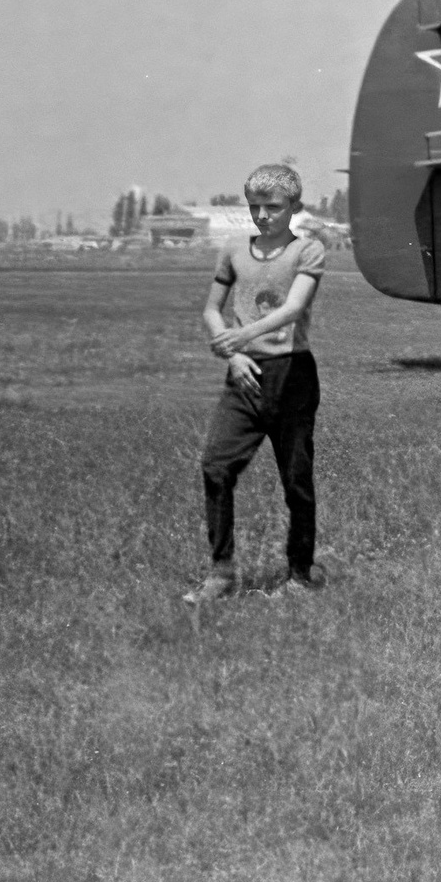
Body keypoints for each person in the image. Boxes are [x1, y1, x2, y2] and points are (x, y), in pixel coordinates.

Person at [187, 162, 328, 603]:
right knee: (215, 465)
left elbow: (292, 308)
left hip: (291, 375)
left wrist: (240, 338)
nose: (263, 215)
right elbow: (212, 309)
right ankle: (222, 571)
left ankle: (300, 575)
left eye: (273, 206)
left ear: (294, 207)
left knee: (296, 480)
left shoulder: (308, 250)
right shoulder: (233, 250)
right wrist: (232, 355)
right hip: (244, 377)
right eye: (255, 207)